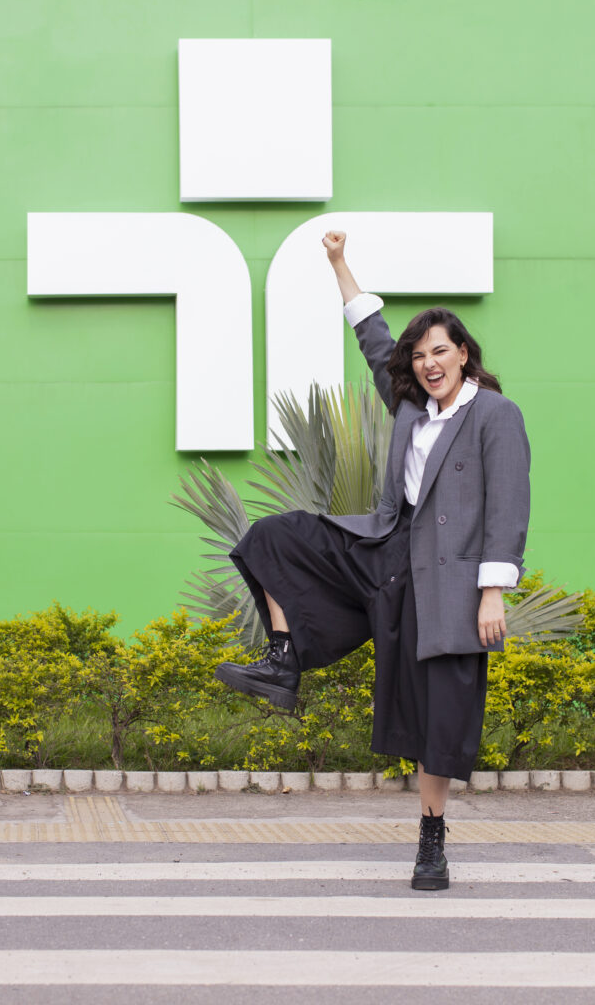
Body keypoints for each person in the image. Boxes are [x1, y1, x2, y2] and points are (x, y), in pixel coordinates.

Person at [215, 231, 531, 890]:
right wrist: (338, 263)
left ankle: (431, 839)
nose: (427, 363)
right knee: (272, 538)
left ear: (463, 353)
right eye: (419, 355)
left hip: (446, 580)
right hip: (385, 548)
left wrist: (492, 589)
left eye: (439, 351)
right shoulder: (411, 406)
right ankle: (283, 659)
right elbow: (371, 336)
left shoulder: (495, 416)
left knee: (436, 716)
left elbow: (508, 503)